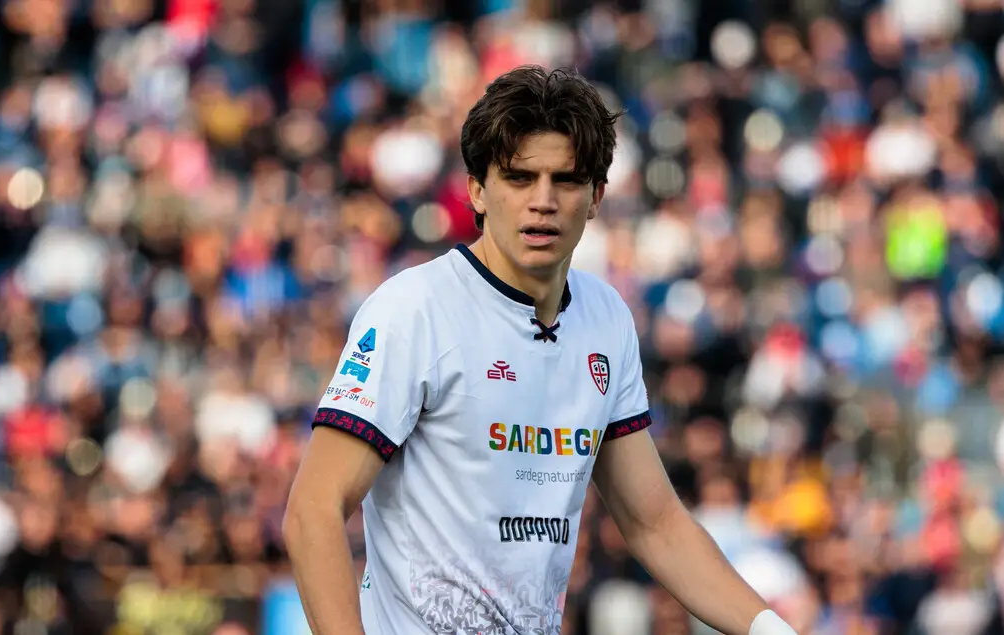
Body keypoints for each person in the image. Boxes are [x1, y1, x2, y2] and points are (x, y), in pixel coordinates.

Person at [282, 65, 797, 635]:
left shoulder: (606, 317)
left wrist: (773, 630)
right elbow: (313, 511)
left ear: (597, 196)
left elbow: (655, 523)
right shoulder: (414, 309)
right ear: (477, 190)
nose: (543, 201)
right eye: (520, 178)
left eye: (567, 180)